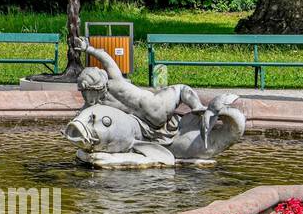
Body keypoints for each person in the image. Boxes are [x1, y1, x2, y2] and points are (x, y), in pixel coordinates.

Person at [72, 36, 208, 143]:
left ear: (90, 89)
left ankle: (199, 107)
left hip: (148, 116)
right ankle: (197, 107)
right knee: (179, 90)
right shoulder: (113, 83)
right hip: (153, 111)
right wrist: (88, 49)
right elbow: (107, 59)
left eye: (84, 91)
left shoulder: (107, 90)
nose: (84, 95)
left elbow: (82, 114)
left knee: (180, 89)